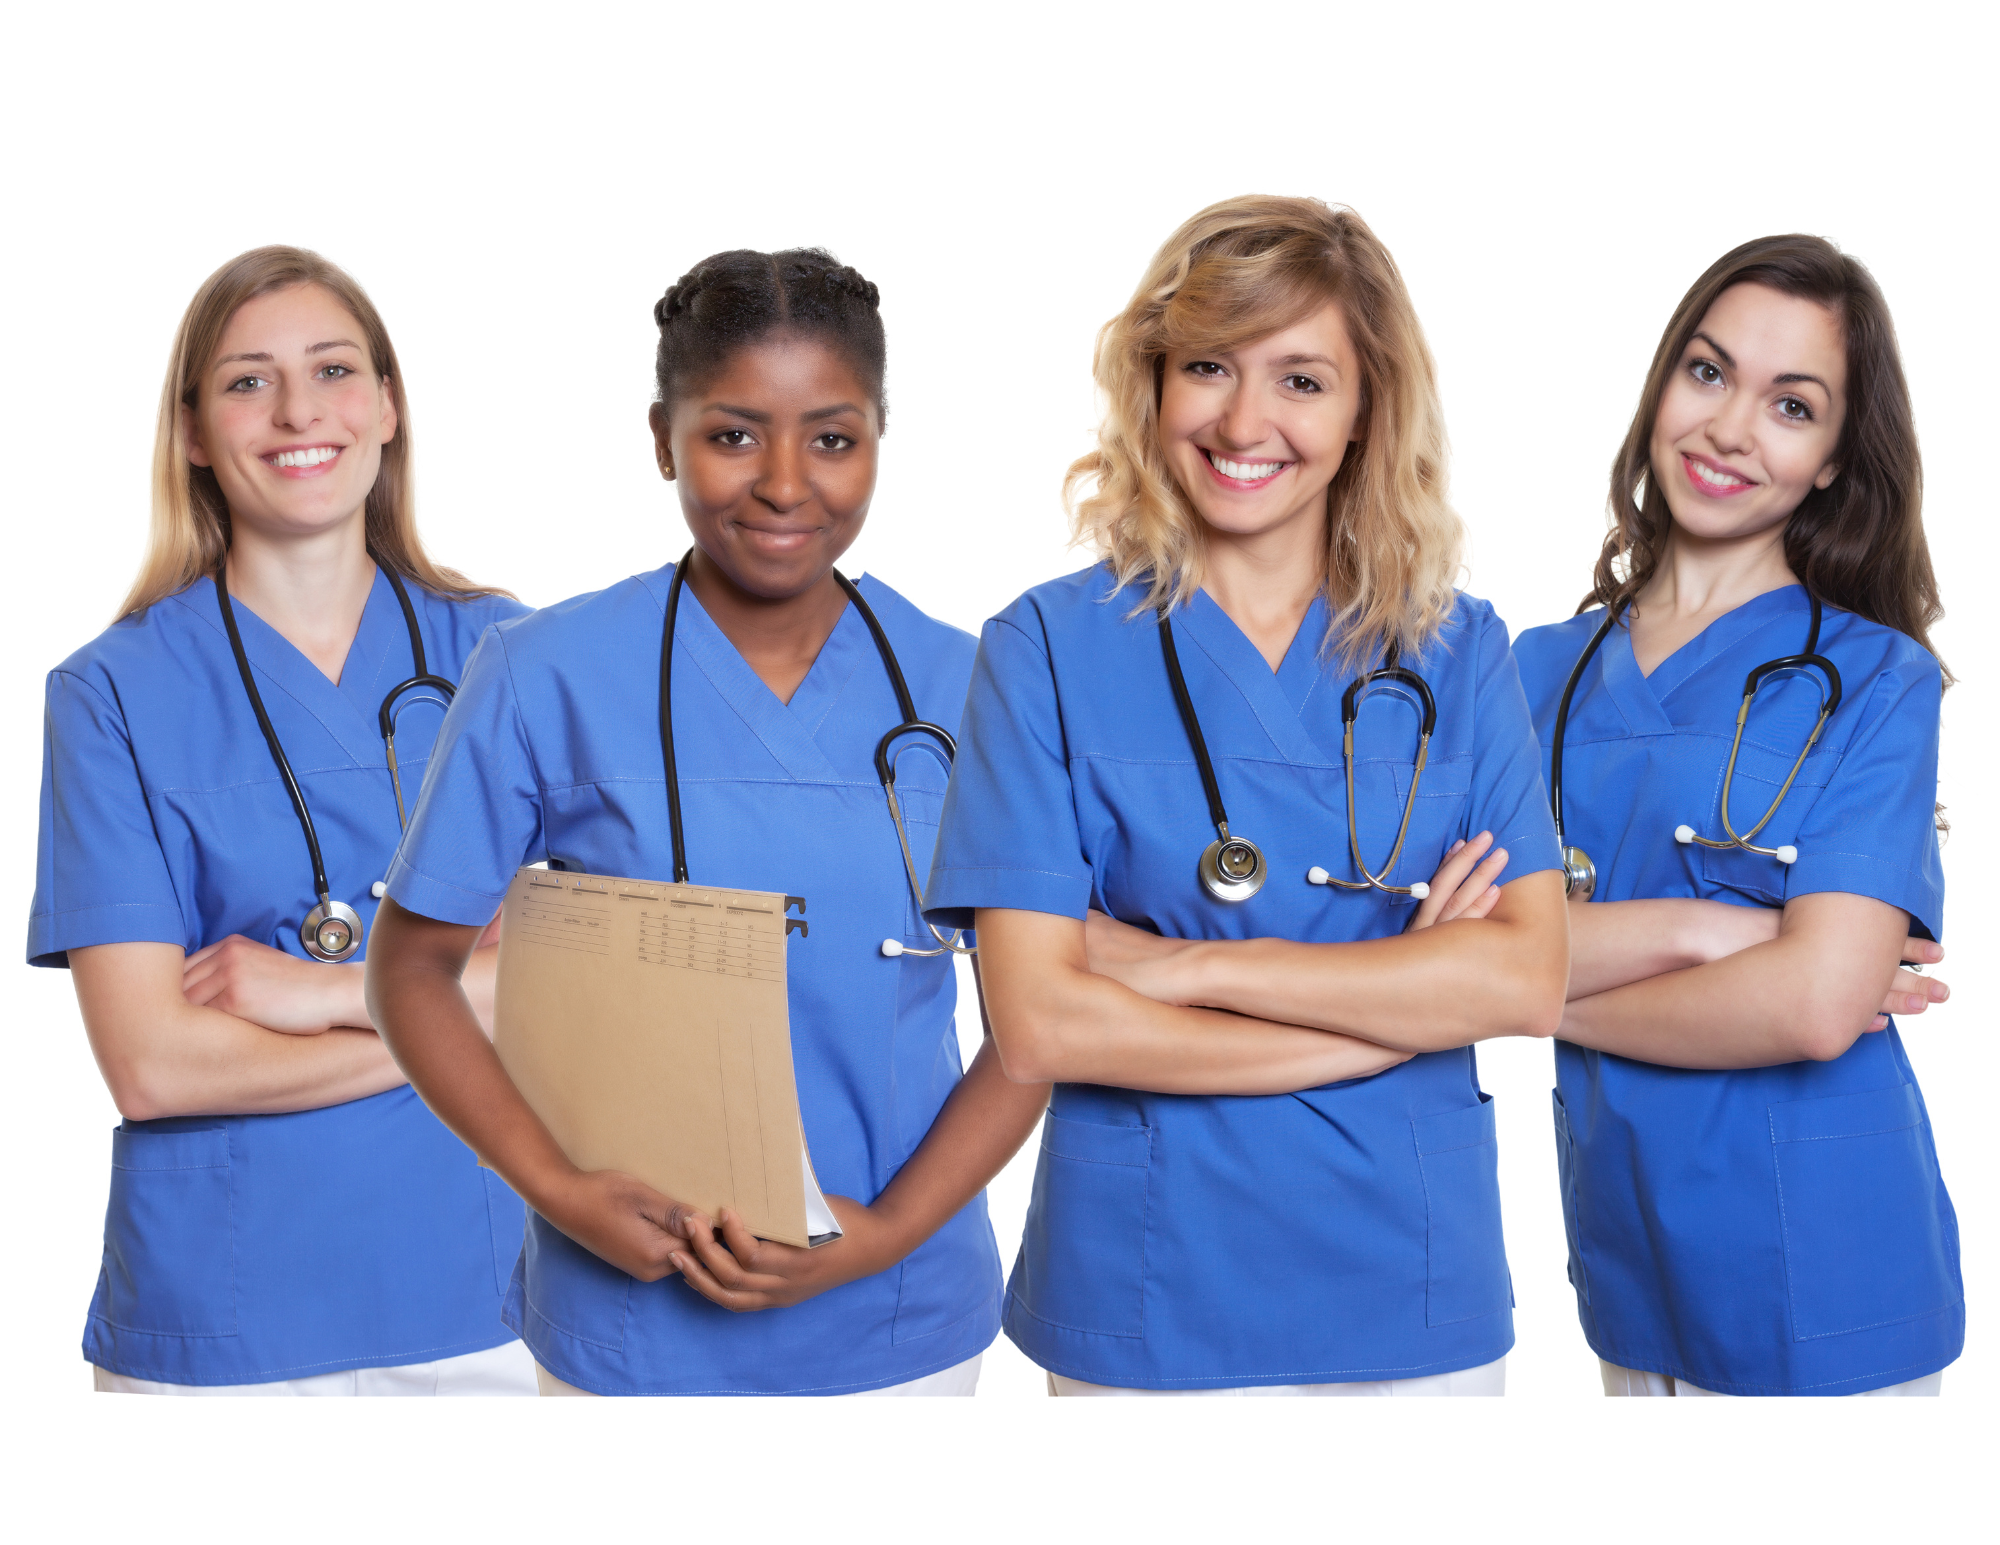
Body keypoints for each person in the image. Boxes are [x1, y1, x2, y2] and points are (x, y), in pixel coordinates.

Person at [365, 248, 1050, 1396]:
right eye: (732, 435)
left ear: (880, 434)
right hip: (628, 1320)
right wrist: (559, 1190)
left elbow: (1037, 1024)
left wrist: (880, 1236)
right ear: (660, 438)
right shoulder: (544, 675)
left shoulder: (972, 688)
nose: (786, 483)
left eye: (832, 438)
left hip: (896, 1315)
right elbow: (410, 973)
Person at [923, 196, 1569, 1395]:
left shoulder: (1460, 651)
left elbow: (1524, 980)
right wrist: (1390, 1014)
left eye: (1301, 380)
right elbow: (1042, 1024)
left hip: (1409, 1287)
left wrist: (1179, 967)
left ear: (1368, 406)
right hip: (1145, 1284)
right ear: (1152, 386)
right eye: (1207, 367)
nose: (1242, 421)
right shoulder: (1045, 648)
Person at [30, 247, 536, 1394]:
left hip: (491, 1297)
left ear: (390, 406)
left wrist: (326, 996)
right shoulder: (109, 693)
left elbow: (601, 982)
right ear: (195, 431)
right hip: (225, 1314)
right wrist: (465, 1006)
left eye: (334, 369)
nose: (300, 411)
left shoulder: (509, 654)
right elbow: (155, 1065)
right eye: (249, 381)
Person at [1511, 234, 1961, 1396]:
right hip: (1628, 1266)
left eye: (1790, 406)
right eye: (1705, 374)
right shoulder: (1532, 673)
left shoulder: (1877, 680)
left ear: (1828, 462)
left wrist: (1524, 999)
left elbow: (1815, 1008)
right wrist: (1705, 934)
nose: (1726, 429)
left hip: (1832, 1269)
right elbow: (1429, 942)